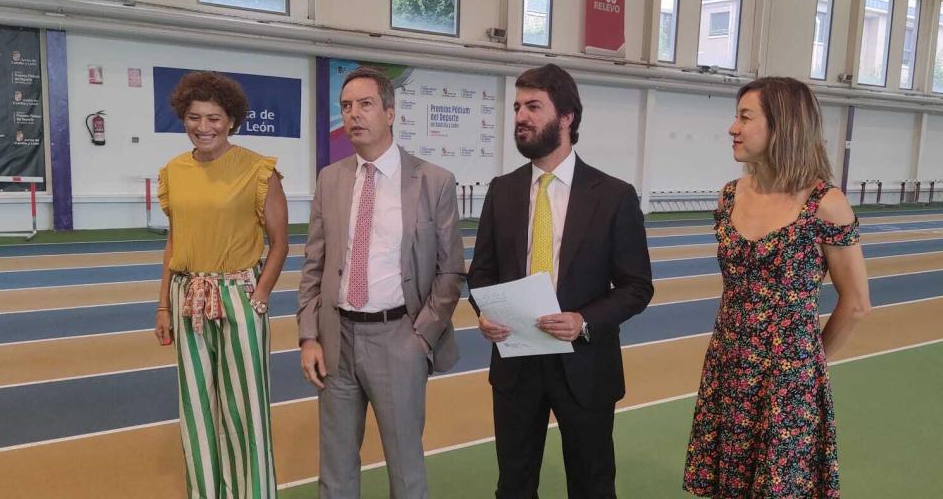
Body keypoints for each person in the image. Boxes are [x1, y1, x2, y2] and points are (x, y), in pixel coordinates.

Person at [467, 63, 654, 498]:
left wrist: (583, 320)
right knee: (513, 485)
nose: (521, 117)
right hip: (516, 363)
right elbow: (480, 272)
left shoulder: (613, 195)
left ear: (566, 117)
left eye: (534, 106)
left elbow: (637, 286)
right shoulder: (502, 190)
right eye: (517, 107)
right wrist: (487, 313)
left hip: (584, 364)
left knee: (591, 486)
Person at [683, 77, 871, 498]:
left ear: (782, 127)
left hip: (788, 382)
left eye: (745, 117)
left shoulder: (825, 203)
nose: (733, 127)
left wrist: (805, 364)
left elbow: (857, 303)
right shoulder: (729, 197)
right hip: (728, 369)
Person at [297, 66, 464, 499]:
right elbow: (313, 266)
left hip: (399, 338)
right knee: (334, 471)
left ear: (390, 112)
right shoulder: (329, 179)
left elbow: (450, 273)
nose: (354, 115)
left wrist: (421, 338)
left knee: (406, 472)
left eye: (365, 104)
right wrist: (309, 338)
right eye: (346, 106)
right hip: (336, 339)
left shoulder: (434, 181)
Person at [154, 71, 289, 498]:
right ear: (183, 118)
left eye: (214, 117)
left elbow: (281, 243)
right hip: (187, 296)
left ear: (231, 120)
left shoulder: (257, 169)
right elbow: (176, 240)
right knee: (195, 408)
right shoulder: (173, 171)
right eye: (194, 117)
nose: (203, 127)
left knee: (245, 408)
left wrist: (260, 294)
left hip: (239, 296)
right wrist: (162, 305)